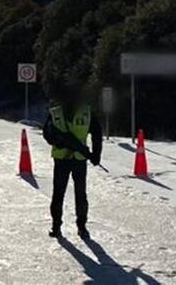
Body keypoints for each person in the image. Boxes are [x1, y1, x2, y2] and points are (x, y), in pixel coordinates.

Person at [42, 81, 103, 239]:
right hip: (69, 159)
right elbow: (47, 133)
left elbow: (97, 134)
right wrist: (95, 155)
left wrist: (96, 154)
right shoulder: (76, 112)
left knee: (69, 194)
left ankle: (75, 226)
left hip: (74, 158)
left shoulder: (79, 112)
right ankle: (62, 226)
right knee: (68, 193)